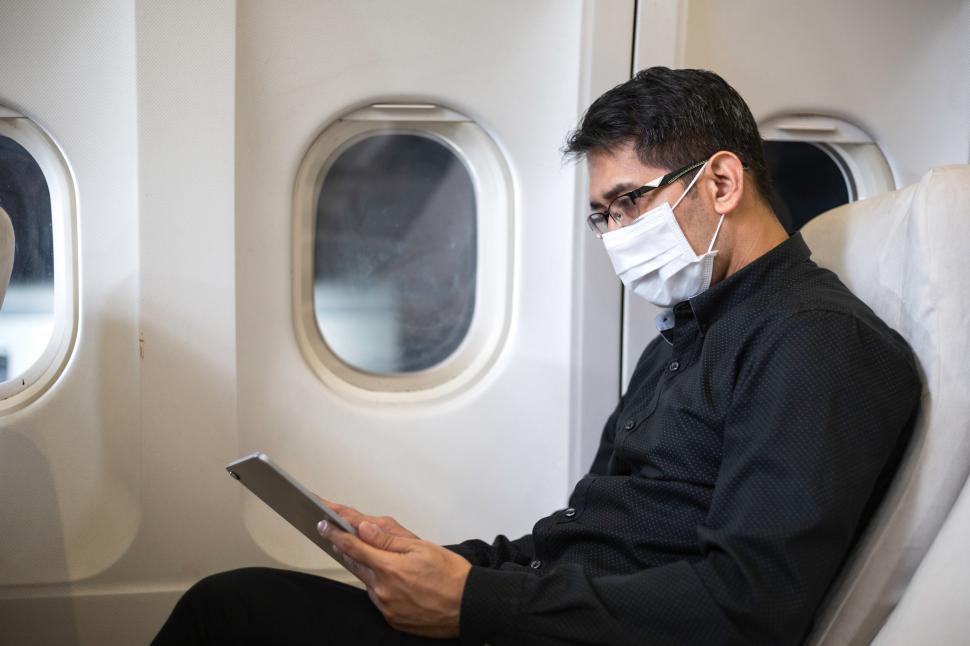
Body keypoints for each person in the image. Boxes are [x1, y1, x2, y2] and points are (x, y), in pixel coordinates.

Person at [152, 67, 921, 645]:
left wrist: (474, 604)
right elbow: (592, 534)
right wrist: (436, 564)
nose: (616, 232)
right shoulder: (690, 331)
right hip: (549, 617)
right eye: (600, 215)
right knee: (237, 606)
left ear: (721, 181)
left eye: (630, 201)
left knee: (233, 616)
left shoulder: (814, 342)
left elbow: (750, 602)